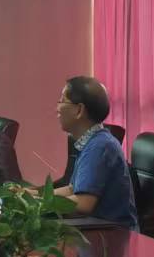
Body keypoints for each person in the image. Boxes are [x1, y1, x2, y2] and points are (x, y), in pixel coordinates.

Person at [53, 76, 137, 228]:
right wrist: (35, 196)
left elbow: (83, 203)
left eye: (62, 101)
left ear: (79, 110)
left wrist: (42, 204)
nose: (57, 108)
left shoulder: (100, 146)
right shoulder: (92, 142)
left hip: (113, 234)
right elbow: (73, 188)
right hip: (97, 227)